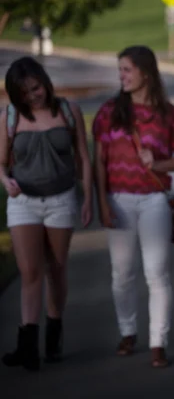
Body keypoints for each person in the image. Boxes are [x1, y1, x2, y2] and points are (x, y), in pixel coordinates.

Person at [92, 45, 174, 368]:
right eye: (119, 70)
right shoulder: (109, 113)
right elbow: (99, 162)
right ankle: (127, 331)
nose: (121, 76)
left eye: (126, 70)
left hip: (154, 200)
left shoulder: (170, 115)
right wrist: (101, 202)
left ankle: (157, 342)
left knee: (156, 272)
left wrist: (159, 163)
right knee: (122, 273)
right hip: (118, 199)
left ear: (145, 73)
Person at [1, 56, 93, 370]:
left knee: (56, 269)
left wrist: (88, 199)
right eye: (24, 92)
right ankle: (28, 345)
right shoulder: (10, 117)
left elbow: (83, 155)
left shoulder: (68, 111)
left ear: (45, 82)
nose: (32, 96)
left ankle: (54, 330)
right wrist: (6, 181)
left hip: (61, 200)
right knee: (30, 272)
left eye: (36, 88)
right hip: (23, 201)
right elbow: (1, 163)